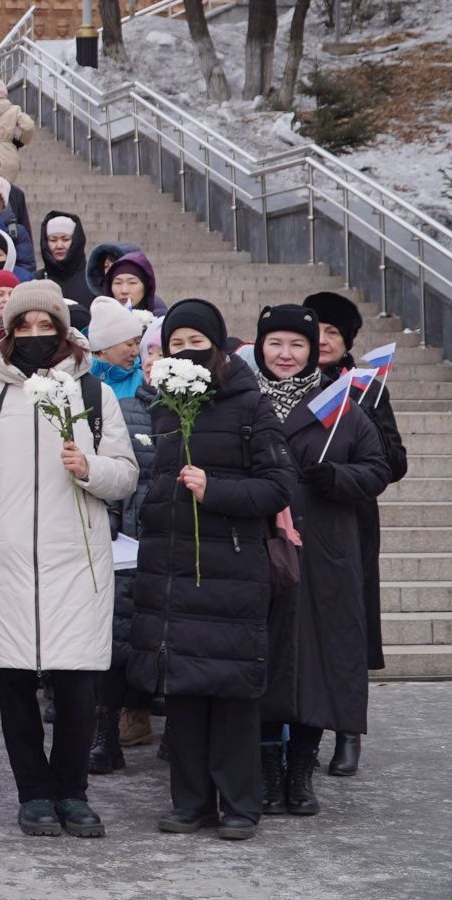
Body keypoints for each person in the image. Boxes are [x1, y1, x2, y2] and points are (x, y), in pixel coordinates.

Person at [0, 280, 136, 838]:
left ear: (64, 332)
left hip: (76, 563)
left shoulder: (94, 395)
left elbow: (126, 474)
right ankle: (33, 794)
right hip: (7, 561)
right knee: (15, 686)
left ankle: (72, 791)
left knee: (76, 688)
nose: (36, 336)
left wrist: (89, 467)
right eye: (25, 326)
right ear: (9, 332)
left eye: (47, 326)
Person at [128, 299, 294, 840]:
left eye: (197, 342)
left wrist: (214, 490)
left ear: (219, 346)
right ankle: (191, 801)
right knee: (184, 692)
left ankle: (240, 804)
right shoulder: (163, 409)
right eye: (176, 344)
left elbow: (278, 486)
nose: (187, 352)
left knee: (230, 693)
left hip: (231, 571)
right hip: (175, 572)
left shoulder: (250, 404)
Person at [249, 302, 388, 818]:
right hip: (263, 551)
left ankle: (301, 770)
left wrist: (338, 478)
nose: (286, 354)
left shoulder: (342, 409)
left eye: (297, 345)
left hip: (326, 554)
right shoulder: (243, 402)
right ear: (260, 347)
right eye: (276, 343)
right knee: (267, 659)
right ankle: (266, 770)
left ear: (313, 352)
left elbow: (377, 468)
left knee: (316, 661)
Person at [301, 291, 405, 778]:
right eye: (315, 330)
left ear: (346, 344)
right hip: (300, 520)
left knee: (349, 628)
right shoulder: (292, 384)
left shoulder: (367, 390)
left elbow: (394, 462)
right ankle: (302, 730)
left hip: (350, 522)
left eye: (333, 334)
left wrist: (362, 427)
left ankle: (347, 733)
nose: (322, 340)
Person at [81, 297, 157, 768]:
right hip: (118, 534)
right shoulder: (107, 397)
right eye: (136, 347)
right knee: (114, 635)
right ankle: (105, 727)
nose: (140, 356)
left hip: (154, 534)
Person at [40, 213, 95, 329]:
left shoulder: (93, 279)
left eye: (65, 239)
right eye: (53, 240)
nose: (59, 245)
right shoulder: (37, 279)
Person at [101, 249, 166, 314]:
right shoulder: (101, 317)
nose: (124, 291)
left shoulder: (159, 318)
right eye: (118, 283)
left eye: (132, 283)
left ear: (145, 286)